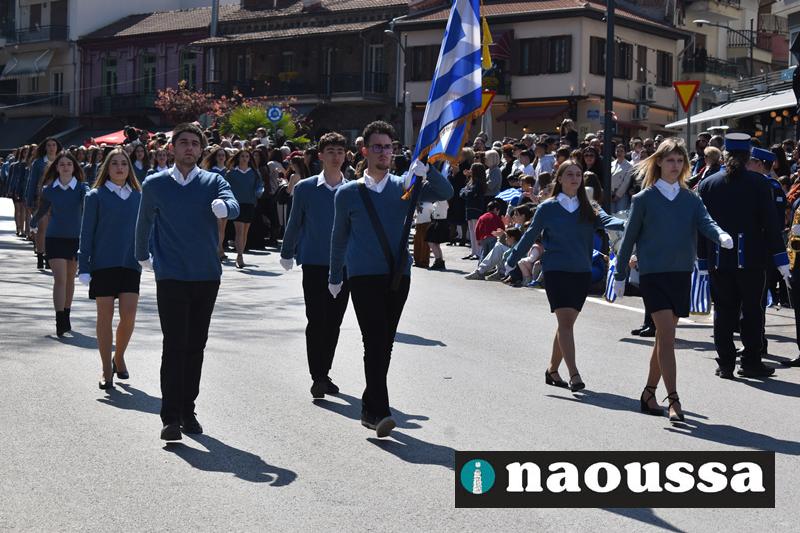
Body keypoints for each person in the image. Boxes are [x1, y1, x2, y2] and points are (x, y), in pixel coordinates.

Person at [328, 121, 453, 438]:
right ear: (365, 151)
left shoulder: (405, 186)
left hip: (398, 275)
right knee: (375, 340)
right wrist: (334, 276)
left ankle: (370, 406)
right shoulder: (347, 194)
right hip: (363, 276)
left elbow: (446, 192)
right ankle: (380, 411)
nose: (385, 153)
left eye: (389, 147)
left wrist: (427, 170)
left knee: (384, 343)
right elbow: (339, 237)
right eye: (379, 147)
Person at [135, 123, 240, 441]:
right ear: (173, 148)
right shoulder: (155, 184)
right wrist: (141, 255)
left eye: (195, 143)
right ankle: (170, 417)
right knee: (174, 344)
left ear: (201, 149)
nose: (189, 148)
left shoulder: (214, 181)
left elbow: (233, 203)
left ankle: (187, 409)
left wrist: (226, 208)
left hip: (207, 275)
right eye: (183, 142)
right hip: (171, 275)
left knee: (195, 345)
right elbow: (143, 222)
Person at [614, 138, 731, 422]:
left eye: (679, 161)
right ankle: (674, 400)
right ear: (659, 163)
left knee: (662, 339)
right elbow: (628, 239)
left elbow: (706, 222)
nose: (675, 166)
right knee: (667, 336)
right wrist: (619, 274)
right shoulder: (644, 199)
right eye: (670, 161)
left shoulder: (691, 198)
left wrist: (720, 235)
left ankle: (649, 392)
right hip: (653, 274)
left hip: (680, 273)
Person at [506, 160, 625, 392]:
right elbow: (530, 235)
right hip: (556, 271)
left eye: (578, 175)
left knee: (566, 325)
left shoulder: (589, 207)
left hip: (581, 271)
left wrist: (632, 222)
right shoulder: (548, 207)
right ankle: (574, 374)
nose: (574, 178)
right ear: (559, 179)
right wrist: (512, 258)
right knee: (566, 324)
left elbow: (609, 221)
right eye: (569, 174)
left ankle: (552, 370)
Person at [696, 134, 790, 379]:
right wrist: (781, 259)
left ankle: (725, 363)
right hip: (751, 259)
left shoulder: (708, 184)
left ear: (725, 154)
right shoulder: (760, 183)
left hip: (719, 259)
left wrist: (703, 261)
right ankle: (750, 361)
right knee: (752, 312)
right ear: (748, 155)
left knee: (724, 313)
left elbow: (700, 226)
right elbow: (771, 224)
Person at [280, 132, 350, 398]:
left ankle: (325, 371)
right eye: (330, 151)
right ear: (320, 155)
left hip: (344, 265)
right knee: (316, 319)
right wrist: (287, 251)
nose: (335, 156)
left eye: (340, 152)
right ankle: (317, 376)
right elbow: (295, 221)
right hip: (314, 262)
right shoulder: (306, 188)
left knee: (334, 322)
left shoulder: (353, 188)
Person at [78, 148, 142, 389]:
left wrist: (149, 255)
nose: (119, 167)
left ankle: (119, 356)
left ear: (129, 168)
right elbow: (86, 233)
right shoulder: (95, 196)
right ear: (107, 168)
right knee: (104, 317)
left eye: (124, 163)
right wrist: (83, 266)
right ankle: (106, 368)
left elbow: (147, 230)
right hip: (103, 265)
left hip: (130, 264)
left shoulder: (138, 196)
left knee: (128, 317)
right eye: (114, 163)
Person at [30, 151, 89, 336]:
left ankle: (67, 314)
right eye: (62, 164)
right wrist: (33, 223)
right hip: (54, 238)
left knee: (70, 279)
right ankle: (59, 319)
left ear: (74, 168)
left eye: (69, 164)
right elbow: (42, 210)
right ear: (56, 168)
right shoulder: (49, 190)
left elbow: (89, 204)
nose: (65, 167)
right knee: (60, 279)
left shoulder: (81, 188)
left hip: (75, 239)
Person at [27, 138, 62, 270]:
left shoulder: (63, 161)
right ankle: (41, 256)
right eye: (49, 145)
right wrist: (29, 200)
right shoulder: (38, 163)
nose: (52, 147)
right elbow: (32, 182)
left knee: (54, 231)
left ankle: (50, 256)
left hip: (59, 200)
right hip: (42, 199)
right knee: (42, 229)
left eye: (54, 145)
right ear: (45, 147)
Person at [225, 149, 264, 268]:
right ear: (238, 158)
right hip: (237, 204)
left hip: (250, 204)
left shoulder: (254, 172)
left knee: (245, 232)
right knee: (239, 231)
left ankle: (240, 253)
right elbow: (226, 186)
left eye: (247, 156)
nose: (245, 158)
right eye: (242, 156)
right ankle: (239, 256)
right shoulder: (231, 173)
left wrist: (259, 191)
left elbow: (259, 185)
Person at [201, 147, 231, 260]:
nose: (221, 157)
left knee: (223, 227)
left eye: (223, 155)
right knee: (217, 227)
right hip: (213, 201)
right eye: (219, 155)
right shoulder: (210, 171)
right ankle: (218, 250)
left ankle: (220, 248)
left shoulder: (228, 171)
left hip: (225, 201)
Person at [610, 144, 633, 213]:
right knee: (611, 214)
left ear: (625, 153)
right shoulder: (612, 163)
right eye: (617, 151)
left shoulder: (629, 166)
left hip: (621, 195)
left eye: (621, 151)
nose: (619, 153)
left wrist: (617, 195)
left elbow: (626, 182)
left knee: (620, 215)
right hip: (610, 194)